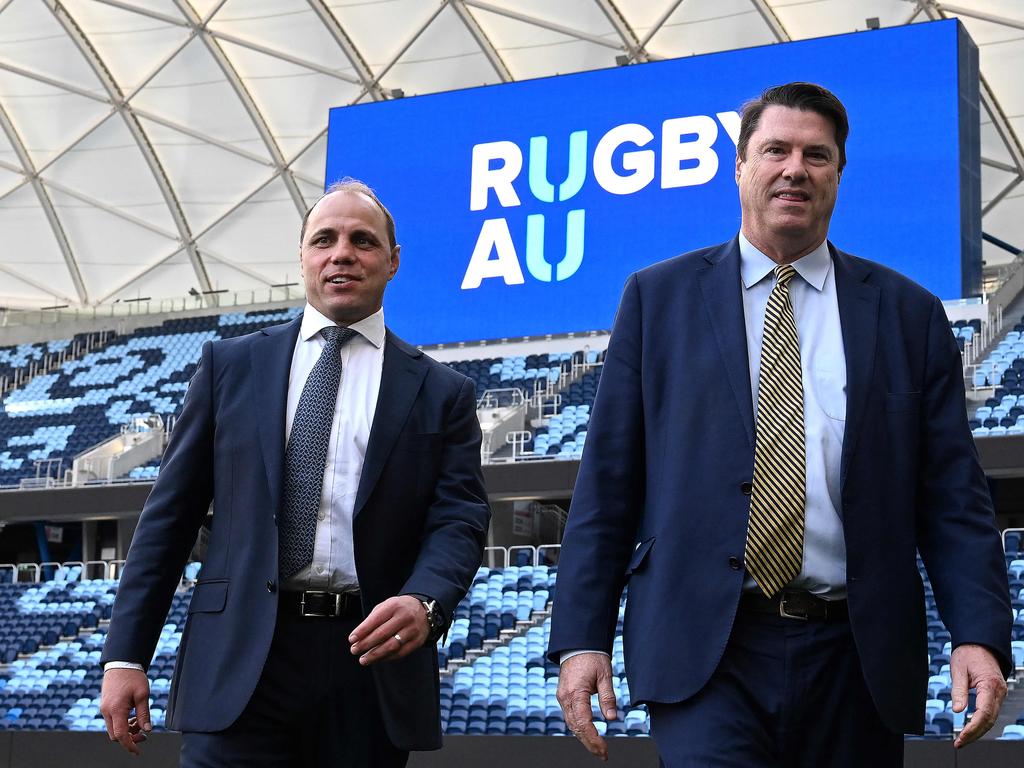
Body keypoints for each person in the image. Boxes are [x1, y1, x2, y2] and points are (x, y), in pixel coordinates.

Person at [547, 82, 1011, 767]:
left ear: (839, 175)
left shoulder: (906, 315)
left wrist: (979, 634)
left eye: (816, 155)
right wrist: (581, 638)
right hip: (708, 653)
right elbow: (608, 485)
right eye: (776, 150)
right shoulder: (657, 299)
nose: (795, 168)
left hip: (855, 657)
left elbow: (953, 498)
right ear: (740, 167)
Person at [99, 179, 491, 767]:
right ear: (303, 256)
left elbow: (459, 518)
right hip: (241, 658)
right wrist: (126, 655)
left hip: (369, 664)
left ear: (392, 262)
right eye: (324, 239)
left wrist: (426, 600)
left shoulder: (442, 392)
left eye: (362, 240)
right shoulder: (228, 367)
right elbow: (169, 518)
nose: (342, 253)